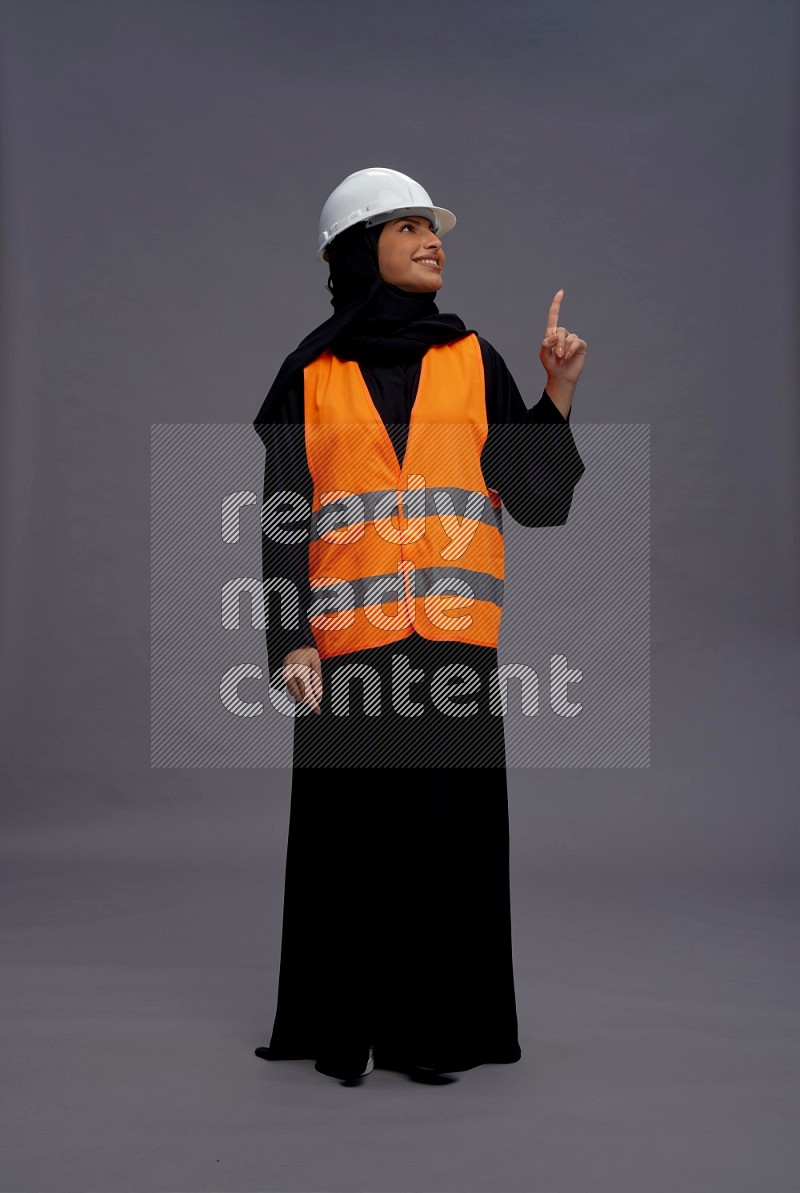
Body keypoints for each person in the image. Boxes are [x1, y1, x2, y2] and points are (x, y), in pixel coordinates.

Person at [252, 167, 587, 1084]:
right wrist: (285, 639)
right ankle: (343, 1025)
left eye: (433, 228)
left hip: (452, 651)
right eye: (406, 227)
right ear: (363, 249)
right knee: (347, 846)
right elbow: (283, 519)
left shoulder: (475, 360)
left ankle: (437, 1032)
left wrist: (556, 393)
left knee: (446, 844)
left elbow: (539, 498)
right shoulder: (307, 377)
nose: (432, 240)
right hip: (346, 655)